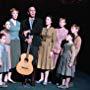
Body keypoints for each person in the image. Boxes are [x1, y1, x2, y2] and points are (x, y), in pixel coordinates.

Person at [19, 6, 43, 86]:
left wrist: (29, 31)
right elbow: (21, 34)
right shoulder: (23, 22)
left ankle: (33, 79)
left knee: (34, 62)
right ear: (28, 12)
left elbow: (38, 30)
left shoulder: (39, 21)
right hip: (26, 44)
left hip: (35, 44)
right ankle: (25, 79)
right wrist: (26, 39)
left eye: (34, 10)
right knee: (25, 61)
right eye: (31, 10)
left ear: (35, 12)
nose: (33, 12)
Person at [36, 16, 56, 85]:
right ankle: (41, 78)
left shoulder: (53, 29)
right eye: (46, 19)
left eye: (48, 19)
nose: (46, 21)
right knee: (42, 62)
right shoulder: (43, 28)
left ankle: (46, 79)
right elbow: (40, 37)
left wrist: (52, 50)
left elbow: (54, 41)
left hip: (48, 48)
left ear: (51, 21)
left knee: (47, 63)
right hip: (42, 47)